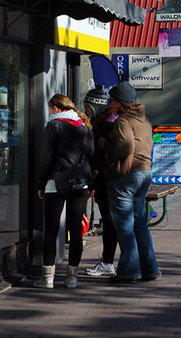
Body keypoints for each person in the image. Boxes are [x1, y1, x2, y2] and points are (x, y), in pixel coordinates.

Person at [34, 94, 94, 289]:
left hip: (55, 182)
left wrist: (41, 183)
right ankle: (72, 278)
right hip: (80, 183)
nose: (49, 112)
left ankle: (47, 278)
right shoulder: (83, 126)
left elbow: (45, 158)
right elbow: (91, 155)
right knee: (75, 230)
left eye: (50, 108)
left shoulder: (54, 125)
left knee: (51, 230)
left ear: (57, 108)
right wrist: (90, 183)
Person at [105, 81, 160, 284]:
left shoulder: (123, 122)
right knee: (139, 224)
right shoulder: (144, 120)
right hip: (144, 173)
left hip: (126, 176)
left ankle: (129, 271)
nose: (109, 105)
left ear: (120, 103)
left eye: (112, 101)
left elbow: (125, 146)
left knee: (125, 226)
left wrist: (107, 148)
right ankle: (149, 268)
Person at [83, 85, 119, 278]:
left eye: (88, 107)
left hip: (105, 180)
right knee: (111, 221)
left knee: (110, 221)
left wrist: (92, 183)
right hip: (106, 180)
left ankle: (107, 262)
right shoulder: (104, 122)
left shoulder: (106, 125)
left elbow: (98, 157)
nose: (87, 111)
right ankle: (109, 261)